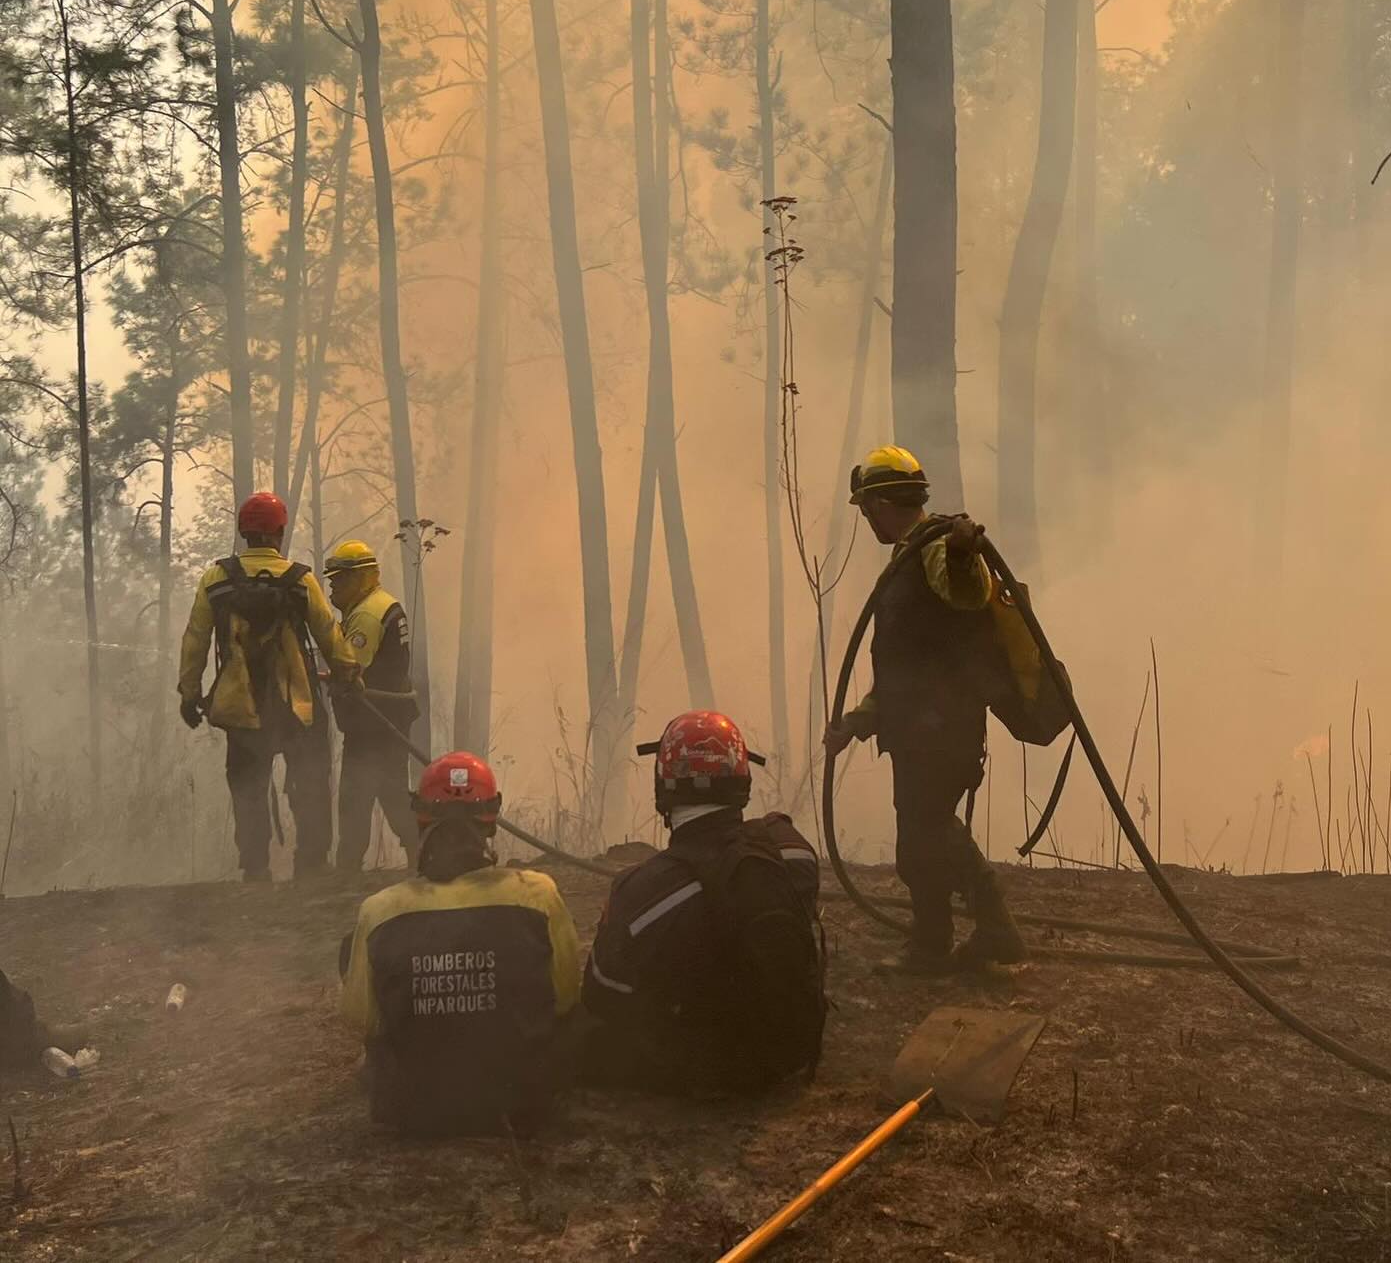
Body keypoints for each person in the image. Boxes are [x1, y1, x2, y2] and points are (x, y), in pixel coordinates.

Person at [825, 446, 1035, 975]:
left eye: (866, 507)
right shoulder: (910, 556)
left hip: (943, 729)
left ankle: (991, 932)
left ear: (881, 502)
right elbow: (908, 669)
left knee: (929, 830)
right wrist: (859, 721)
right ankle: (936, 941)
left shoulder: (938, 547)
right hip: (923, 725)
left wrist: (965, 554)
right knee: (920, 839)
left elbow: (966, 594)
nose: (866, 518)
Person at [581, 710, 826, 1095]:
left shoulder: (640, 894)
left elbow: (601, 994)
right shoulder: (795, 853)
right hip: (790, 1055)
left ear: (664, 787)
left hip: (700, 1073)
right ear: (743, 778)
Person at [339, 751, 581, 1135]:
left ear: (420, 817)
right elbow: (566, 997)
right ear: (491, 818)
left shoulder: (381, 912)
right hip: (524, 1104)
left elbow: (362, 1018)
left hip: (414, 1112)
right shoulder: (537, 896)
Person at [178, 491, 360, 882]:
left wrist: (190, 693)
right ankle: (311, 864)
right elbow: (329, 633)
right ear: (280, 531)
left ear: (243, 532)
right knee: (310, 781)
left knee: (248, 787)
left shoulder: (216, 579)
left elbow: (195, 637)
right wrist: (349, 672)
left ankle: (255, 868)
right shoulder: (300, 579)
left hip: (241, 705)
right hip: (298, 705)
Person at [323, 540, 418, 872]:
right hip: (389, 719)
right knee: (391, 792)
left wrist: (327, 676)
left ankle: (347, 868)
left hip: (373, 722)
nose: (334, 586)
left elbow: (350, 670)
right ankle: (422, 854)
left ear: (361, 577)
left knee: (355, 796)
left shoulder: (365, 615)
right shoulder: (383, 604)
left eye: (340, 580)